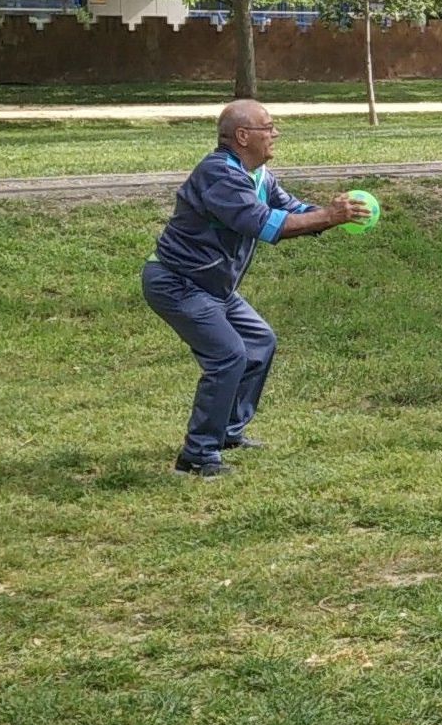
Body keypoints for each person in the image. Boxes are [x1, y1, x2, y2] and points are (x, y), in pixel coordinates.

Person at [142, 101, 371, 477]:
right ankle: (197, 456)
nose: (275, 133)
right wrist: (329, 217)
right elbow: (265, 225)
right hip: (178, 283)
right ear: (243, 136)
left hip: (213, 287)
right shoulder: (219, 175)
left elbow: (292, 211)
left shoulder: (259, 176)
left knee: (259, 341)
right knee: (228, 355)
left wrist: (333, 214)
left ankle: (227, 431)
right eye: (268, 127)